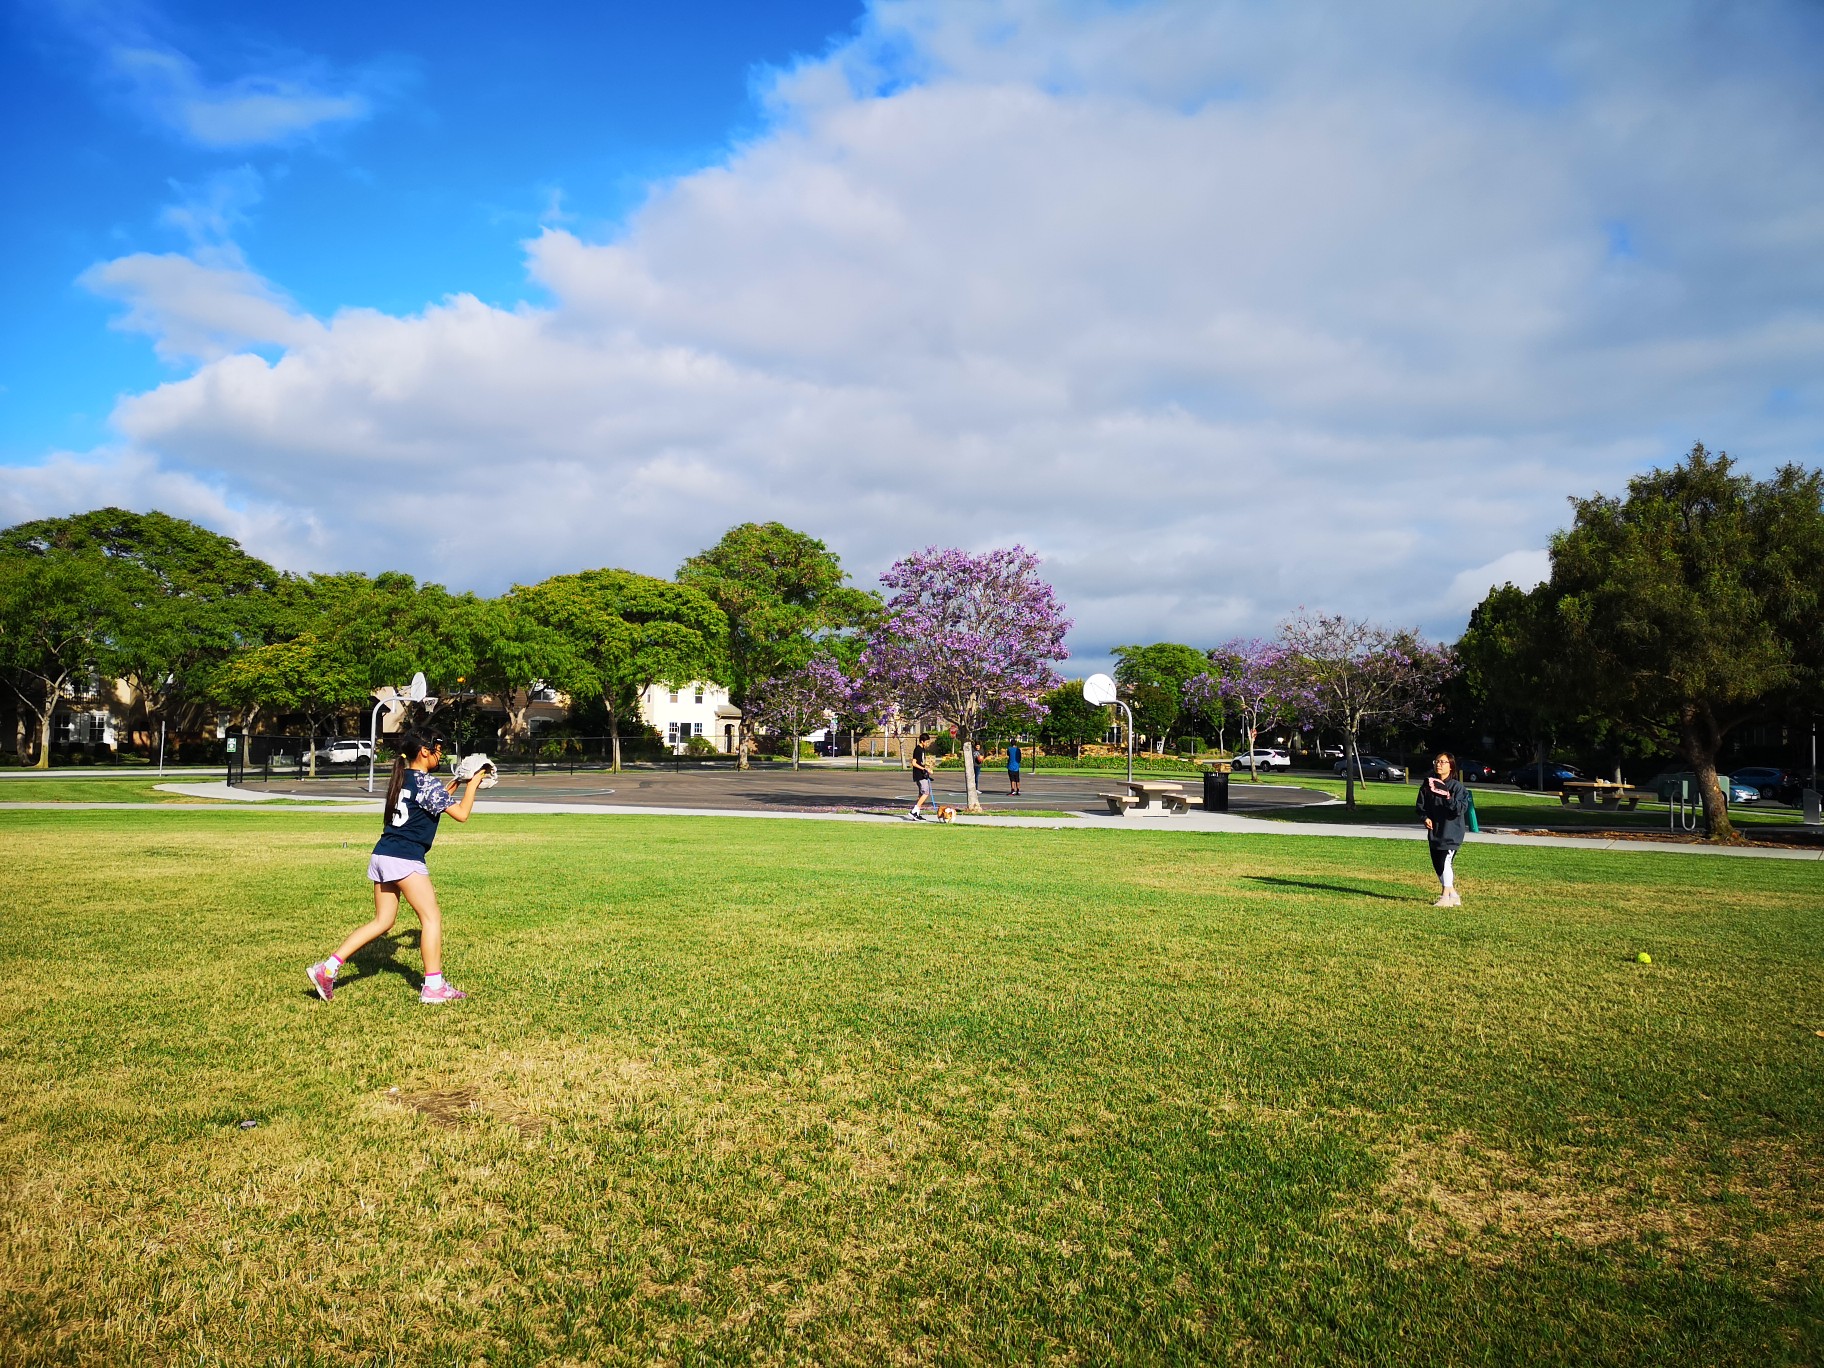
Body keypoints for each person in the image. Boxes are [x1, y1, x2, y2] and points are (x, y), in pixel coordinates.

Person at [306, 730, 488, 1004]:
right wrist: (473, 783)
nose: (440, 753)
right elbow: (460, 814)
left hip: (382, 854)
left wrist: (457, 782)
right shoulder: (429, 785)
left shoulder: (404, 777)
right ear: (423, 752)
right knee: (431, 919)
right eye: (437, 748)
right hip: (405, 858)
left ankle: (327, 968)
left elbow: (434, 802)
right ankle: (434, 987)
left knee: (383, 921)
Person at [1416, 751, 1471, 907]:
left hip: (1451, 832)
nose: (1438, 764)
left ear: (1451, 766)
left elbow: (1459, 809)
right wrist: (1425, 818)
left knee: (1444, 861)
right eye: (1437, 761)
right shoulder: (1428, 784)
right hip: (1435, 832)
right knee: (1438, 865)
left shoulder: (1457, 787)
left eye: (1442, 762)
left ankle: (1444, 897)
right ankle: (1454, 895)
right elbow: (1421, 807)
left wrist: (1448, 797)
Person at [906, 731, 935, 820]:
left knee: (920, 794)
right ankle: (914, 811)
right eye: (926, 742)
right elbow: (914, 763)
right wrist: (924, 769)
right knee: (926, 793)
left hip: (923, 774)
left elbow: (921, 763)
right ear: (922, 741)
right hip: (919, 775)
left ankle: (916, 814)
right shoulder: (918, 749)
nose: (927, 744)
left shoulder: (923, 750)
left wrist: (927, 769)